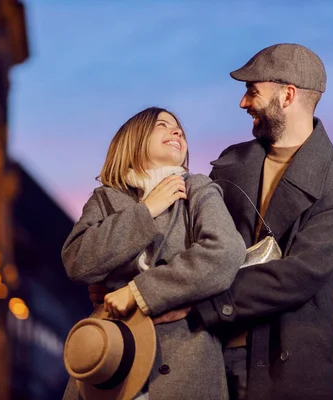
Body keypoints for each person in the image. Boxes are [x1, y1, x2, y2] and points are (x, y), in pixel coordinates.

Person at [151, 43, 333, 399]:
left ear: (287, 95)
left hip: (291, 371)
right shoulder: (230, 162)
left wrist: (200, 305)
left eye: (252, 91)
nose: (243, 103)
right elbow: (186, 240)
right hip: (212, 357)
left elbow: (301, 274)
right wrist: (127, 276)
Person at [61, 107, 247, 399]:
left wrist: (139, 292)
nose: (177, 132)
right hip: (112, 360)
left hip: (185, 361)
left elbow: (224, 251)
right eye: (163, 125)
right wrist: (146, 212)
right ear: (134, 139)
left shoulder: (198, 188)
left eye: (180, 130)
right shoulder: (106, 198)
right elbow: (77, 261)